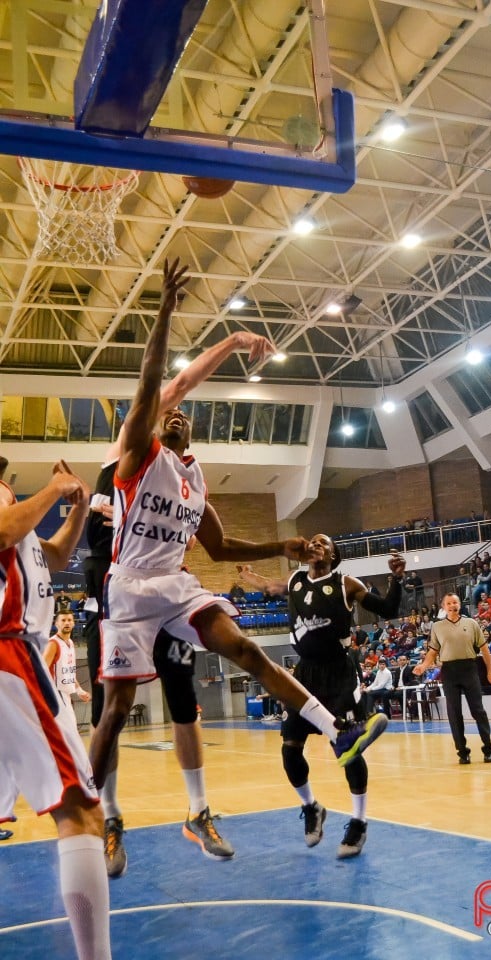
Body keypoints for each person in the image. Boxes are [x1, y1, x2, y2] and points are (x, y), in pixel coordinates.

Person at [89, 258, 386, 863]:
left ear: (191, 435)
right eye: (167, 414)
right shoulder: (136, 458)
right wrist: (168, 312)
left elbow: (222, 549)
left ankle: (341, 731)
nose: (176, 413)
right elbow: (154, 380)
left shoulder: (195, 482)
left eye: (182, 416)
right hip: (127, 590)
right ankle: (86, 811)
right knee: (116, 710)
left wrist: (282, 545)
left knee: (246, 649)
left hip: (175, 585)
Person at [84, 324, 297, 877]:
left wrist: (231, 342)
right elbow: (166, 385)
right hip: (112, 600)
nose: (167, 407)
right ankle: (108, 819)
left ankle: (199, 810)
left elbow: (180, 382)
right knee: (109, 715)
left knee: (182, 700)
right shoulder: (123, 454)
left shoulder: (170, 470)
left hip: (163, 597)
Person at [0, 461, 112, 960]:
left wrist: (80, 505)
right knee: (83, 813)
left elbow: (57, 552)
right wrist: (54, 488)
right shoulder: (6, 503)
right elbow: (3, 529)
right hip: (10, 651)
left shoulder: (20, 525)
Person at [238, 537, 405, 858]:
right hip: (305, 674)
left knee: (347, 749)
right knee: (289, 749)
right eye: (312, 540)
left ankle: (359, 821)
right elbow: (269, 586)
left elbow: (387, 609)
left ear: (332, 554)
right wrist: (247, 574)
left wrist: (396, 579)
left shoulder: (346, 584)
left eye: (323, 542)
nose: (315, 543)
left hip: (339, 673)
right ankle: (311, 807)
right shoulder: (295, 580)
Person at [414, 593, 491, 764]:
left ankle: (488, 748)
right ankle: (462, 752)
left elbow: (484, 649)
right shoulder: (437, 627)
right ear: (443, 607)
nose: (452, 605)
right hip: (449, 671)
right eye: (449, 603)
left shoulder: (471, 623)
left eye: (455, 602)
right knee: (454, 713)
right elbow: (433, 651)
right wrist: (423, 665)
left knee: (478, 710)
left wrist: (490, 671)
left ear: (460, 604)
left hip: (469, 668)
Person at [44, 610, 90, 723]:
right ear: (56, 624)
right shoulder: (53, 644)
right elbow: (41, 671)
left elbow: (70, 673)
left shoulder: (70, 643)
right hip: (55, 694)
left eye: (69, 620)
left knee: (69, 731)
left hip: (65, 694)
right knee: (70, 730)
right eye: (63, 620)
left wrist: (79, 690)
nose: (67, 623)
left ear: (74, 623)